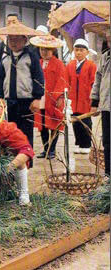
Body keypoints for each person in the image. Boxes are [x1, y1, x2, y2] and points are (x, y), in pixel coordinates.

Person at [0, 23, 44, 155]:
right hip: (10, 101)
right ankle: (13, 158)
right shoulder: (5, 58)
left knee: (26, 131)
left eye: (17, 39)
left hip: (26, 101)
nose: (13, 43)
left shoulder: (31, 57)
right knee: (10, 131)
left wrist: (37, 98)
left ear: (25, 40)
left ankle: (27, 160)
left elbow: (38, 78)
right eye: (11, 39)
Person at [30, 35, 67, 159]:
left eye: (47, 50)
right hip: (41, 98)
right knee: (43, 124)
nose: (44, 52)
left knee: (54, 124)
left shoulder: (59, 64)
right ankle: (46, 148)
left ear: (53, 50)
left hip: (53, 98)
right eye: (42, 49)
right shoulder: (38, 63)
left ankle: (52, 150)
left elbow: (62, 81)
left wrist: (58, 97)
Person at [66, 39, 97, 154]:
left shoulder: (91, 65)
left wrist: (93, 99)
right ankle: (78, 143)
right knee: (75, 122)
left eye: (81, 50)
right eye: (76, 50)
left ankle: (87, 144)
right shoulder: (70, 65)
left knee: (86, 121)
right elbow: (66, 81)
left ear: (87, 52)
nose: (78, 53)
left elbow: (93, 82)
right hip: (73, 99)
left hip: (85, 98)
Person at [89, 23, 110, 177]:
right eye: (108, 38)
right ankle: (109, 175)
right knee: (108, 142)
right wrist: (94, 102)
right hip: (107, 106)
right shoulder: (105, 57)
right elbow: (98, 79)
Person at [0, 13, 20, 81]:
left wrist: (5, 40)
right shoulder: (1, 45)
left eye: (14, 22)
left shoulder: (24, 41)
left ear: (20, 23)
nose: (11, 25)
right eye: (8, 23)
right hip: (4, 78)